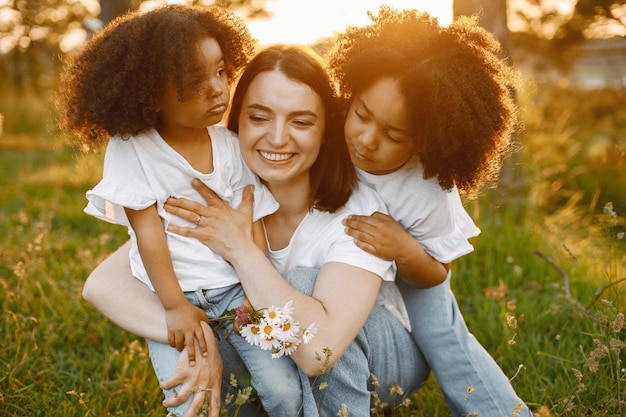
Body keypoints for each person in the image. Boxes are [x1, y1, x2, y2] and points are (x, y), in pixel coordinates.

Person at [82, 44, 432, 417]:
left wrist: (241, 249)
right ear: (236, 121)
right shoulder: (215, 194)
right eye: (259, 117)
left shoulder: (357, 215)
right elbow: (102, 286)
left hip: (382, 355)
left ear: (326, 129)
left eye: (301, 121)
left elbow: (320, 353)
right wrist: (202, 340)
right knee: (227, 313)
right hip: (285, 355)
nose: (278, 138)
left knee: (297, 283)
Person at [56, 5, 311, 417]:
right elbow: (149, 234)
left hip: (236, 294)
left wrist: (256, 288)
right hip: (170, 297)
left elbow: (253, 219)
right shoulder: (132, 148)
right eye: (195, 80)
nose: (217, 89)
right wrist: (174, 307)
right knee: (190, 402)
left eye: (220, 71)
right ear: (149, 93)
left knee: (284, 394)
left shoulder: (229, 144)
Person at [330, 6, 531, 417]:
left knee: (443, 335)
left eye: (393, 135)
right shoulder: (331, 130)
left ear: (426, 140)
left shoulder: (426, 190)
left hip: (410, 279)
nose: (367, 140)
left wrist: (404, 250)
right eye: (362, 115)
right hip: (347, 276)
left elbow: (436, 274)